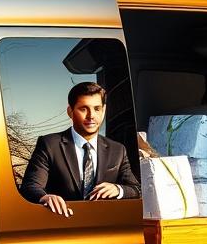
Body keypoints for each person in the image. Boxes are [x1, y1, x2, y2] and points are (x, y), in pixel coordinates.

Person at [20, 81, 140, 216]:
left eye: (97, 108)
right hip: (62, 224)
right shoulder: (49, 145)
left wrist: (118, 189)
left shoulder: (117, 150)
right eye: (83, 109)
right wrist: (44, 197)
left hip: (105, 228)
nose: (91, 116)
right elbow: (30, 186)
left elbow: (136, 189)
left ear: (104, 110)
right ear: (70, 112)